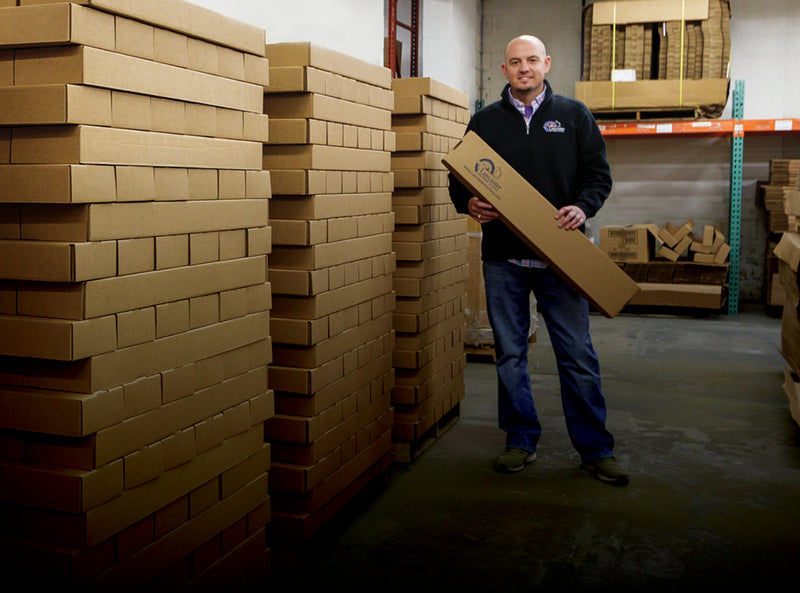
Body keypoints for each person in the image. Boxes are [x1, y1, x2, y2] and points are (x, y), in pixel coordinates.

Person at [448, 34, 628, 486]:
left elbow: (598, 176)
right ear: (503, 69)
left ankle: (595, 449)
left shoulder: (574, 116)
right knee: (510, 355)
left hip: (561, 259)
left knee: (576, 355)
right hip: (503, 260)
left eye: (531, 60)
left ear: (546, 63)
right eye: (514, 62)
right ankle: (520, 439)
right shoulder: (485, 122)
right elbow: (459, 180)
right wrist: (468, 203)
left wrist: (583, 206)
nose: (523, 68)